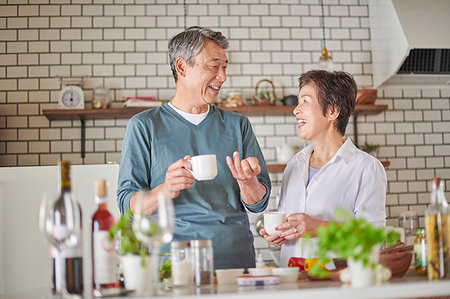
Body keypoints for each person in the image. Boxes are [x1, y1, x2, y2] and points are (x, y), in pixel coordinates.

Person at [117, 26, 271, 269]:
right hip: (172, 265)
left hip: (234, 261)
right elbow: (128, 206)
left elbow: (258, 203)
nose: (223, 76)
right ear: (181, 67)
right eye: (213, 66)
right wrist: (164, 190)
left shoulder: (238, 124)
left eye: (225, 67)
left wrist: (247, 182)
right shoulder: (144, 126)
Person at [260, 70, 386, 267]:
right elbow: (291, 226)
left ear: (332, 111)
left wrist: (319, 228)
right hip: (292, 284)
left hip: (336, 286)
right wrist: (280, 234)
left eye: (305, 101)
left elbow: (374, 240)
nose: (296, 110)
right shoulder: (294, 164)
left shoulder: (366, 168)